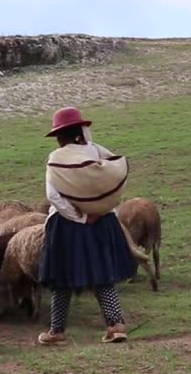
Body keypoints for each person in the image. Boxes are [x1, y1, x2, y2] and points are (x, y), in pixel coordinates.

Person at [37, 107, 136, 345]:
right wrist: (98, 210)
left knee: (62, 277)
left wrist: (81, 217)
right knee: (103, 274)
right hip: (103, 221)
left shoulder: (57, 158)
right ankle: (116, 325)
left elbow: (54, 196)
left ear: (62, 135)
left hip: (68, 226)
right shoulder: (100, 152)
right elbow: (113, 185)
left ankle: (57, 330)